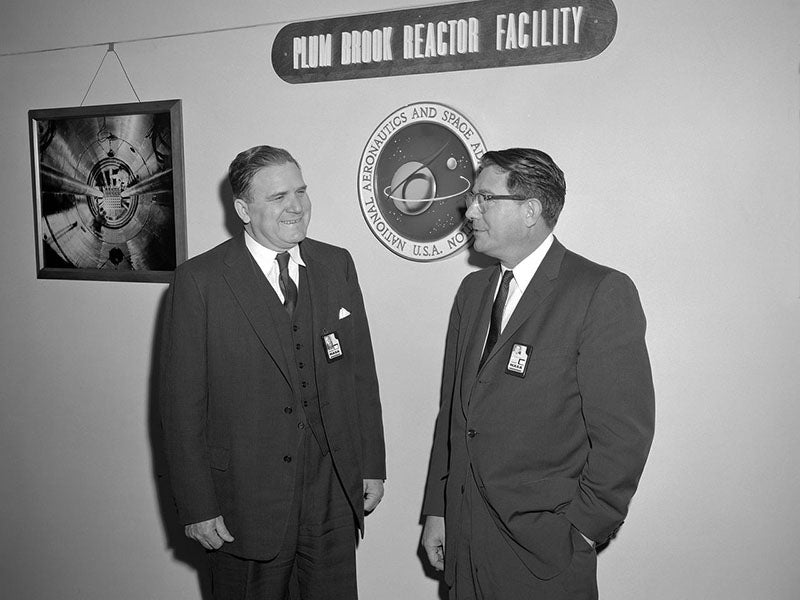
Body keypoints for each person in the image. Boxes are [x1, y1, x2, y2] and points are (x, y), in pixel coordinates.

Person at [421, 148, 655, 599]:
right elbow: (453, 415)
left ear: (530, 211)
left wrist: (583, 530)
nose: (469, 211)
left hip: (545, 558)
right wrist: (439, 508)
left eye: (484, 198)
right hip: (466, 544)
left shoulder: (599, 292)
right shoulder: (472, 292)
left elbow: (624, 437)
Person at [160, 145, 386, 599]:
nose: (296, 206)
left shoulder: (335, 264)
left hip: (331, 491)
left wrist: (371, 465)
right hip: (243, 499)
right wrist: (197, 506)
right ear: (244, 209)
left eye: (300, 191)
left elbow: (360, 374)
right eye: (278, 197)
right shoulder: (200, 281)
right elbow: (181, 406)